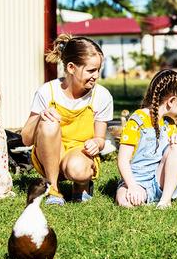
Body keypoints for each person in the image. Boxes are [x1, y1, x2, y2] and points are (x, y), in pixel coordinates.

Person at [21, 34, 113, 205]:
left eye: (98, 70)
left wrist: (96, 143)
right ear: (71, 68)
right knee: (49, 124)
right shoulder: (47, 91)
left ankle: (81, 185)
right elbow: (26, 139)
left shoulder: (102, 96)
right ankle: (53, 189)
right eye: (91, 70)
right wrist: (41, 117)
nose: (96, 75)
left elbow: (100, 138)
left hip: (79, 153)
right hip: (49, 154)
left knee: (77, 169)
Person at [115, 69, 177, 209]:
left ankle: (165, 200)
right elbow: (123, 160)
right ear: (171, 101)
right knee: (124, 202)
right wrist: (132, 186)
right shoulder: (137, 121)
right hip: (136, 181)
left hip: (160, 181)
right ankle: (142, 196)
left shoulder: (169, 124)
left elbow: (173, 157)